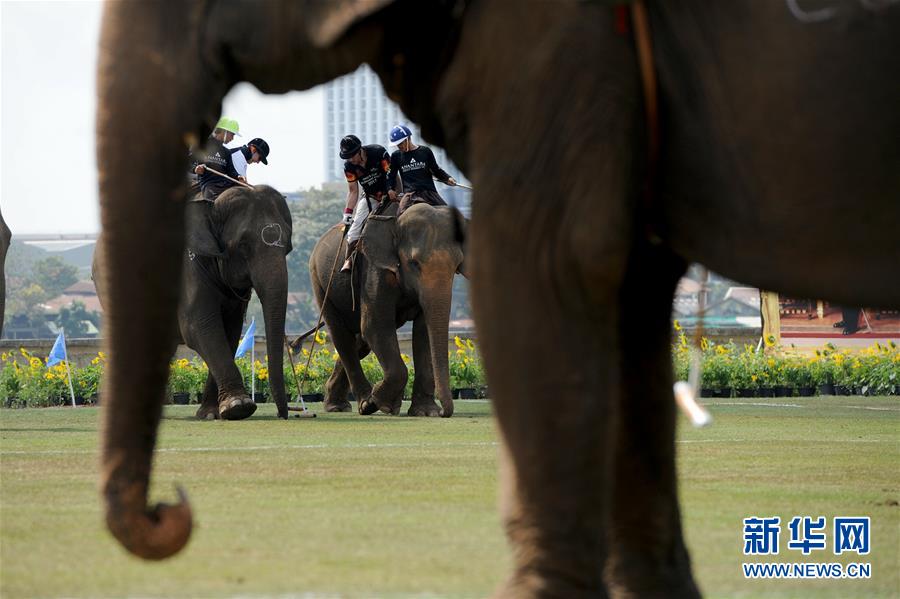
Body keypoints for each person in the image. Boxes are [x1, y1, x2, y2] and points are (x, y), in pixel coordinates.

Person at [339, 134, 391, 272]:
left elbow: (390, 174)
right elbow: (353, 191)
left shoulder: (379, 152)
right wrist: (348, 213)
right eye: (347, 157)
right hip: (371, 197)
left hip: (392, 192)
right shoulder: (349, 167)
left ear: (360, 150)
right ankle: (349, 259)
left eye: (352, 155)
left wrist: (392, 191)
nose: (350, 159)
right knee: (354, 230)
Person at [386, 124, 457, 214]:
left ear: (408, 139)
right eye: (397, 145)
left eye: (400, 144)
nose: (399, 147)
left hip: (429, 193)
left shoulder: (425, 151)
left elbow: (436, 170)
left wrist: (447, 178)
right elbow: (390, 175)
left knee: (449, 215)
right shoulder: (396, 156)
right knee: (400, 216)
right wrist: (390, 189)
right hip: (410, 195)